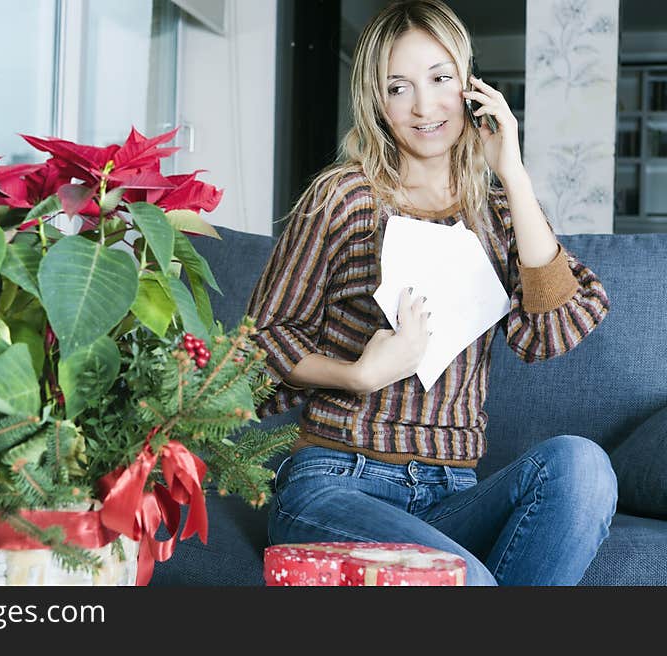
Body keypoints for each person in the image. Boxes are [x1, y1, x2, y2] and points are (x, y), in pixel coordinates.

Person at [246, 0, 617, 586]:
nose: (424, 107)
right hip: (335, 481)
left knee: (584, 466)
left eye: (440, 79)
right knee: (461, 576)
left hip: (452, 492)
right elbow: (259, 341)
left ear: (469, 87)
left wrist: (512, 173)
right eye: (399, 87)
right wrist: (358, 376)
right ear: (376, 102)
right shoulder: (344, 198)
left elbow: (551, 330)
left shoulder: (500, 214)